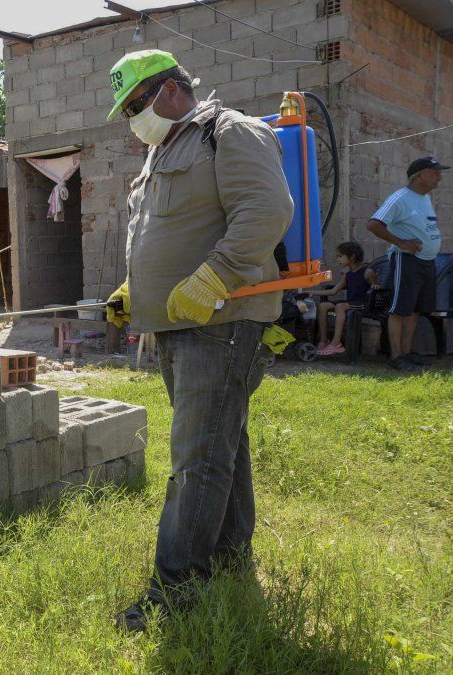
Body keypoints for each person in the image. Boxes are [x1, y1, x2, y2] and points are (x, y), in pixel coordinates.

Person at [104, 50, 293, 632]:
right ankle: (231, 558)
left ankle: (177, 589)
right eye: (126, 111)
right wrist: (134, 289)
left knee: (196, 457)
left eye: (135, 105)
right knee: (218, 444)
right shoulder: (163, 150)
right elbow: (165, 232)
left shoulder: (227, 132)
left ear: (167, 90)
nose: (132, 120)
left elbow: (267, 210)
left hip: (222, 323)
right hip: (177, 326)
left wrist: (214, 277)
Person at [366, 156, 447, 371]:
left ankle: (406, 353)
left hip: (427, 262)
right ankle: (395, 356)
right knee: (400, 309)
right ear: (419, 175)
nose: (439, 177)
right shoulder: (400, 198)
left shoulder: (425, 198)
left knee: (415, 309)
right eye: (435, 172)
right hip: (406, 260)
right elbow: (373, 224)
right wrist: (402, 243)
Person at [309, 241, 379, 356]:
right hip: (350, 302)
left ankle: (336, 343)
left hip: (362, 303)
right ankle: (323, 340)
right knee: (323, 306)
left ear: (352, 256)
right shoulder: (347, 275)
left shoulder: (367, 272)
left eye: (340, 256)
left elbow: (378, 286)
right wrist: (313, 292)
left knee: (340, 306)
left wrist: (376, 286)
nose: (338, 259)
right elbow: (333, 291)